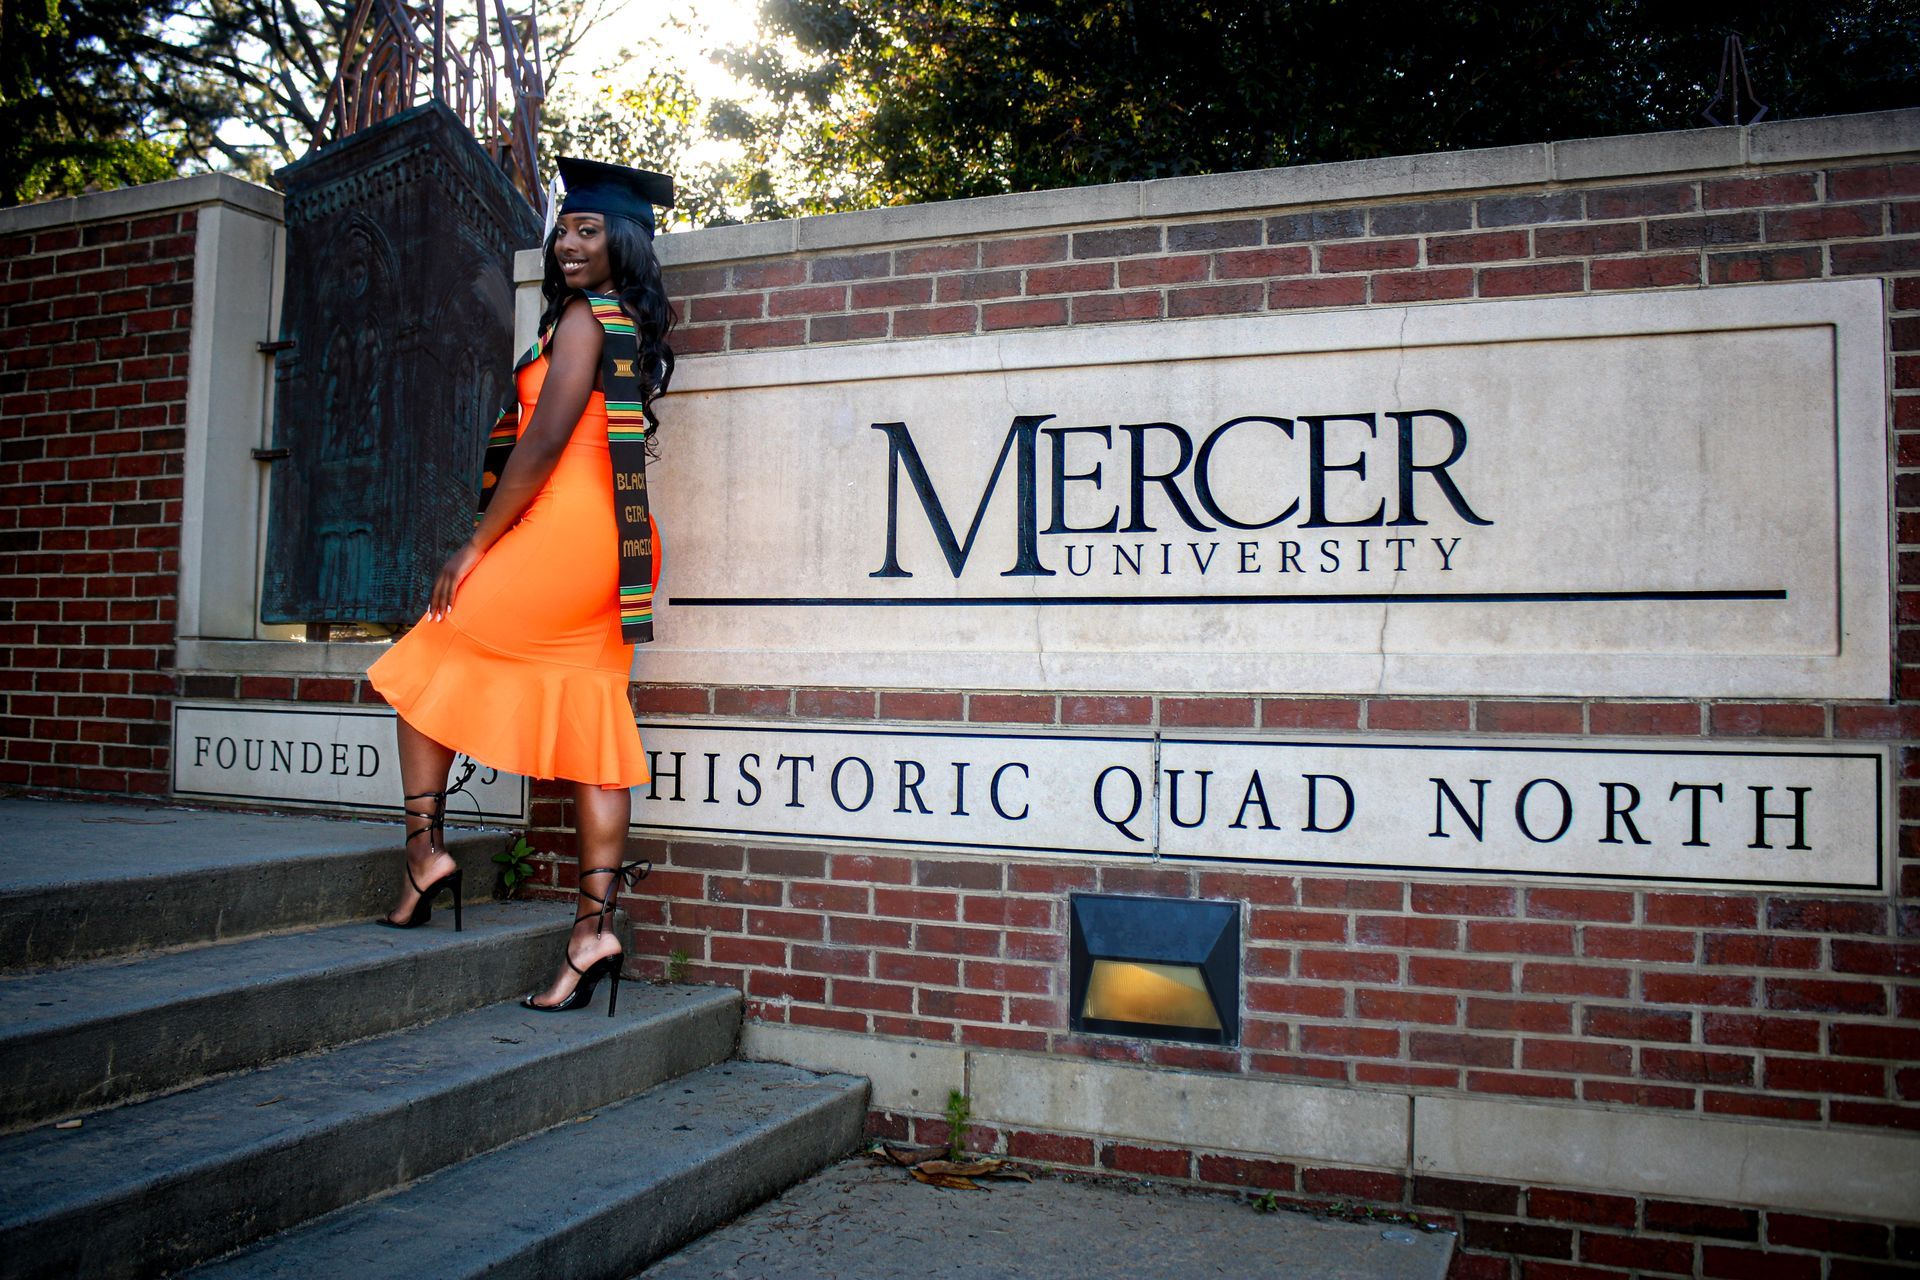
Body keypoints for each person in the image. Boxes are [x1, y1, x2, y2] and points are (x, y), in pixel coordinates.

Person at [365, 157, 677, 1017]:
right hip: (615, 541)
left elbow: (539, 447)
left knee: (428, 652)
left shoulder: (583, 320)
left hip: (565, 534)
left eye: (589, 231)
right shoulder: (617, 321)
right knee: (590, 716)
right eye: (565, 229)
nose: (570, 243)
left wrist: (473, 546)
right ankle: (591, 934)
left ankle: (426, 851)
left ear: (624, 243)